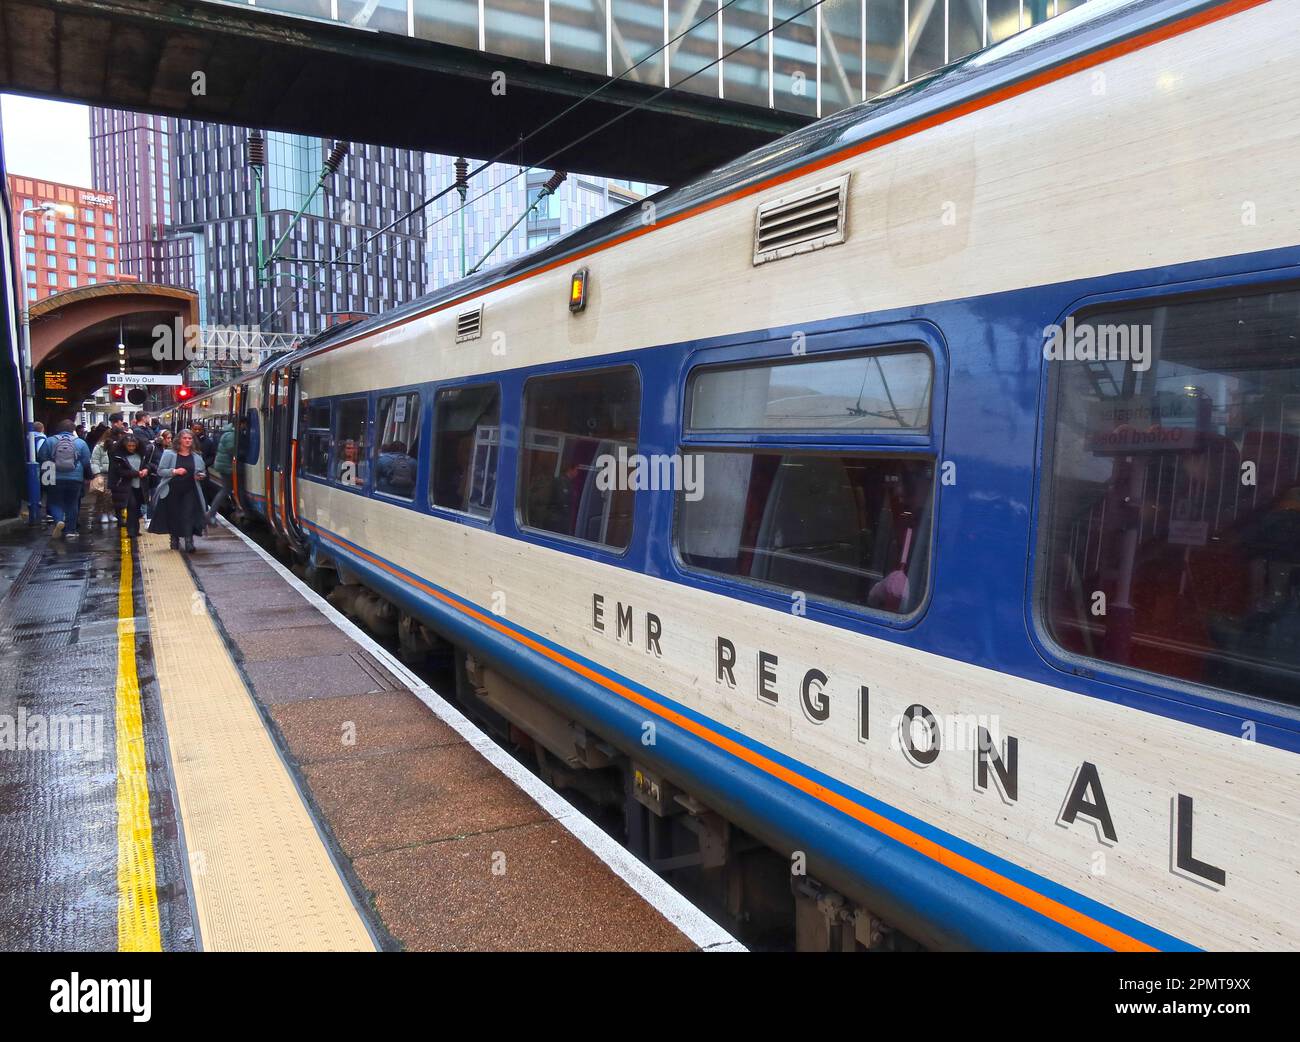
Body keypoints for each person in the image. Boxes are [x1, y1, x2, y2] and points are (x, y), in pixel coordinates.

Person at [149, 428, 207, 552]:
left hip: (190, 490)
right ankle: (174, 540)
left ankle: (189, 542)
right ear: (179, 440)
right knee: (174, 515)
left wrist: (200, 476)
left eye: (190, 438)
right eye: (185, 438)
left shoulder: (197, 456)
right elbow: (160, 471)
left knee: (188, 515)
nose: (187, 440)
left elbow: (202, 472)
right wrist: (174, 471)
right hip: (172, 490)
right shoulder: (169, 454)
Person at [36, 420, 91, 540]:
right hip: (75, 478)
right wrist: (87, 476)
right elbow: (86, 461)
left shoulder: (50, 441)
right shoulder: (80, 442)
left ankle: (59, 521)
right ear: (73, 430)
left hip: (54, 477)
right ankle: (71, 531)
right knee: (72, 503)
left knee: (55, 502)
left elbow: (41, 457)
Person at [108, 432, 150, 538]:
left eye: (133, 446)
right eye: (129, 446)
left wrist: (146, 469)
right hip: (125, 485)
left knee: (137, 508)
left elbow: (150, 465)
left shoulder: (142, 454)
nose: (131, 448)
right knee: (132, 506)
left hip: (139, 485)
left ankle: (135, 529)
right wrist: (136, 473)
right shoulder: (118, 456)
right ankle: (131, 531)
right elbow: (119, 471)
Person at [204, 419, 236, 525]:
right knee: (225, 489)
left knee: (226, 489)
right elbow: (232, 449)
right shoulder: (231, 435)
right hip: (226, 466)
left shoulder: (227, 433)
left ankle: (211, 513)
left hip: (223, 465)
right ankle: (211, 514)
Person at [89, 427, 119, 525]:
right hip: (103, 473)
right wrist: (97, 473)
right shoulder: (100, 447)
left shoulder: (117, 446)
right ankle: (104, 513)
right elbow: (94, 461)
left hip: (114, 473)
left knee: (112, 495)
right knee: (104, 494)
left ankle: (110, 513)